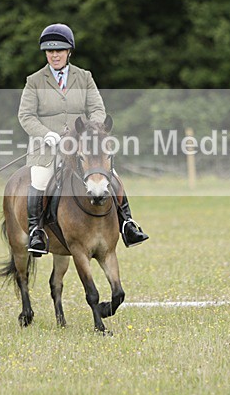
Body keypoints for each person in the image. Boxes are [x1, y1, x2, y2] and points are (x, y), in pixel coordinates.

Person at [18, 23, 149, 255]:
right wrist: (47, 135)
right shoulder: (35, 81)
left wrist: (90, 131)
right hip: (48, 148)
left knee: (113, 177)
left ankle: (128, 224)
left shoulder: (84, 77)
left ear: (69, 52)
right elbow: (26, 116)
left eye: (59, 50)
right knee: (40, 180)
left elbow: (97, 109)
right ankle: (36, 232)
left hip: (83, 145)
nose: (54, 55)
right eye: (50, 51)